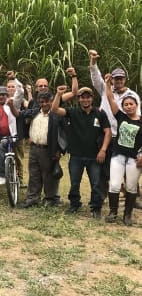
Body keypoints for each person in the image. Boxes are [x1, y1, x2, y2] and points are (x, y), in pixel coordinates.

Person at [51, 85, 112, 219]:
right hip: (76, 155)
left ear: (92, 98)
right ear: (79, 99)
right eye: (82, 97)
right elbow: (54, 109)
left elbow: (108, 132)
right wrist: (58, 94)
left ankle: (96, 207)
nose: (85, 100)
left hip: (94, 156)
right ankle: (74, 204)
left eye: (88, 97)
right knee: (74, 182)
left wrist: (103, 150)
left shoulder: (100, 113)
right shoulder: (73, 112)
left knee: (96, 183)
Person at [89, 49, 141, 203]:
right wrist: (93, 62)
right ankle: (105, 195)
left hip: (126, 137)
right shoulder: (106, 90)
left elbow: (138, 119)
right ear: (111, 79)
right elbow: (95, 78)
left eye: (121, 79)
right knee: (106, 167)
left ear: (124, 79)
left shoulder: (132, 96)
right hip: (106, 134)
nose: (118, 81)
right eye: (115, 79)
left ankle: (134, 197)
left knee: (130, 166)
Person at [103, 73, 142, 225]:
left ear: (136, 105)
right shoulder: (121, 117)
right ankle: (113, 212)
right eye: (126, 104)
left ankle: (127, 215)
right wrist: (107, 83)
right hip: (118, 156)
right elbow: (110, 98)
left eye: (131, 104)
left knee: (131, 187)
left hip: (134, 159)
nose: (128, 106)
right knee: (114, 184)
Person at [16, 91, 66, 208]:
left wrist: (59, 150)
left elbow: (63, 133)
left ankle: (50, 199)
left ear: (51, 102)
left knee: (48, 175)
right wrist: (28, 137)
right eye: (41, 102)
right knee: (34, 174)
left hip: (48, 149)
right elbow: (23, 120)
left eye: (46, 101)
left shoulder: (56, 115)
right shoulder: (35, 113)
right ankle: (32, 198)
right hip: (34, 149)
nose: (44, 104)